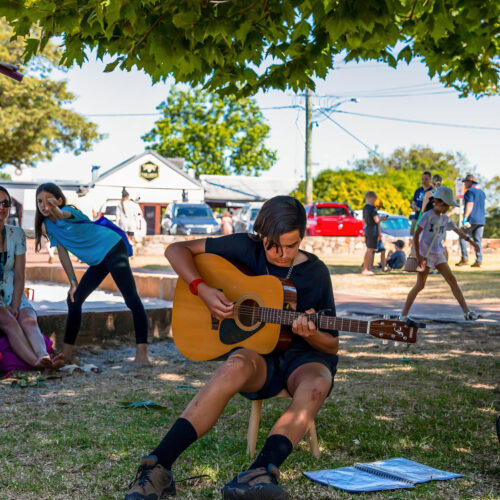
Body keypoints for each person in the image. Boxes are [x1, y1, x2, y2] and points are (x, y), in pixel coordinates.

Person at [125, 195, 339, 500]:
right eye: (273, 246)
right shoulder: (244, 247)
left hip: (305, 359)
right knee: (232, 368)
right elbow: (176, 250)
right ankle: (158, 466)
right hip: (258, 355)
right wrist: (203, 290)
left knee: (317, 383)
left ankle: (259, 473)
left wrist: (312, 332)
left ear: (302, 237)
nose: (281, 254)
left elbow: (331, 346)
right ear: (261, 235)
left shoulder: (315, 273)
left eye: (291, 246)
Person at [34, 183, 150, 365]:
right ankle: (67, 354)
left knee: (131, 299)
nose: (43, 205)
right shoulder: (48, 225)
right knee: (74, 299)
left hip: (111, 247)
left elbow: (62, 215)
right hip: (98, 259)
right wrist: (72, 282)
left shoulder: (69, 211)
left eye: (48, 201)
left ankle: (142, 354)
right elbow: (62, 252)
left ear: (59, 201)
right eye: (39, 201)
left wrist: (55, 208)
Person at [0, 186, 64, 372]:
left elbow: (20, 276)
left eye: (5, 202)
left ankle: (43, 357)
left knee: (29, 319)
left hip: (13, 291)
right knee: (10, 321)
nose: (1, 207)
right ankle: (36, 362)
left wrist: (15, 304)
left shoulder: (16, 234)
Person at [400, 186, 480, 322]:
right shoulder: (427, 216)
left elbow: (459, 232)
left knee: (452, 280)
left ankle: (467, 312)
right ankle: (403, 314)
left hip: (439, 254)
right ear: (437, 202)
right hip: (425, 255)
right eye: (446, 205)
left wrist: (472, 243)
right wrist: (419, 256)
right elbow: (416, 235)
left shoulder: (445, 219)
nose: (447, 208)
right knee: (420, 285)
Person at [457, 174, 486, 268]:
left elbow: (470, 204)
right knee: (478, 240)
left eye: (465, 181)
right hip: (481, 220)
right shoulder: (482, 192)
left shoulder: (469, 191)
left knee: (462, 236)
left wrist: (465, 217)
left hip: (472, 219)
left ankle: (465, 258)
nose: (464, 183)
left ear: (470, 182)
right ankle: (479, 260)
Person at [362, 191, 386, 274]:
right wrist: (382, 218)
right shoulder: (372, 208)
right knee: (369, 250)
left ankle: (370, 268)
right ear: (372, 198)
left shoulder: (365, 208)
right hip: (373, 230)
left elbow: (363, 221)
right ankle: (365, 269)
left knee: (370, 250)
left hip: (368, 230)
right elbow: (376, 220)